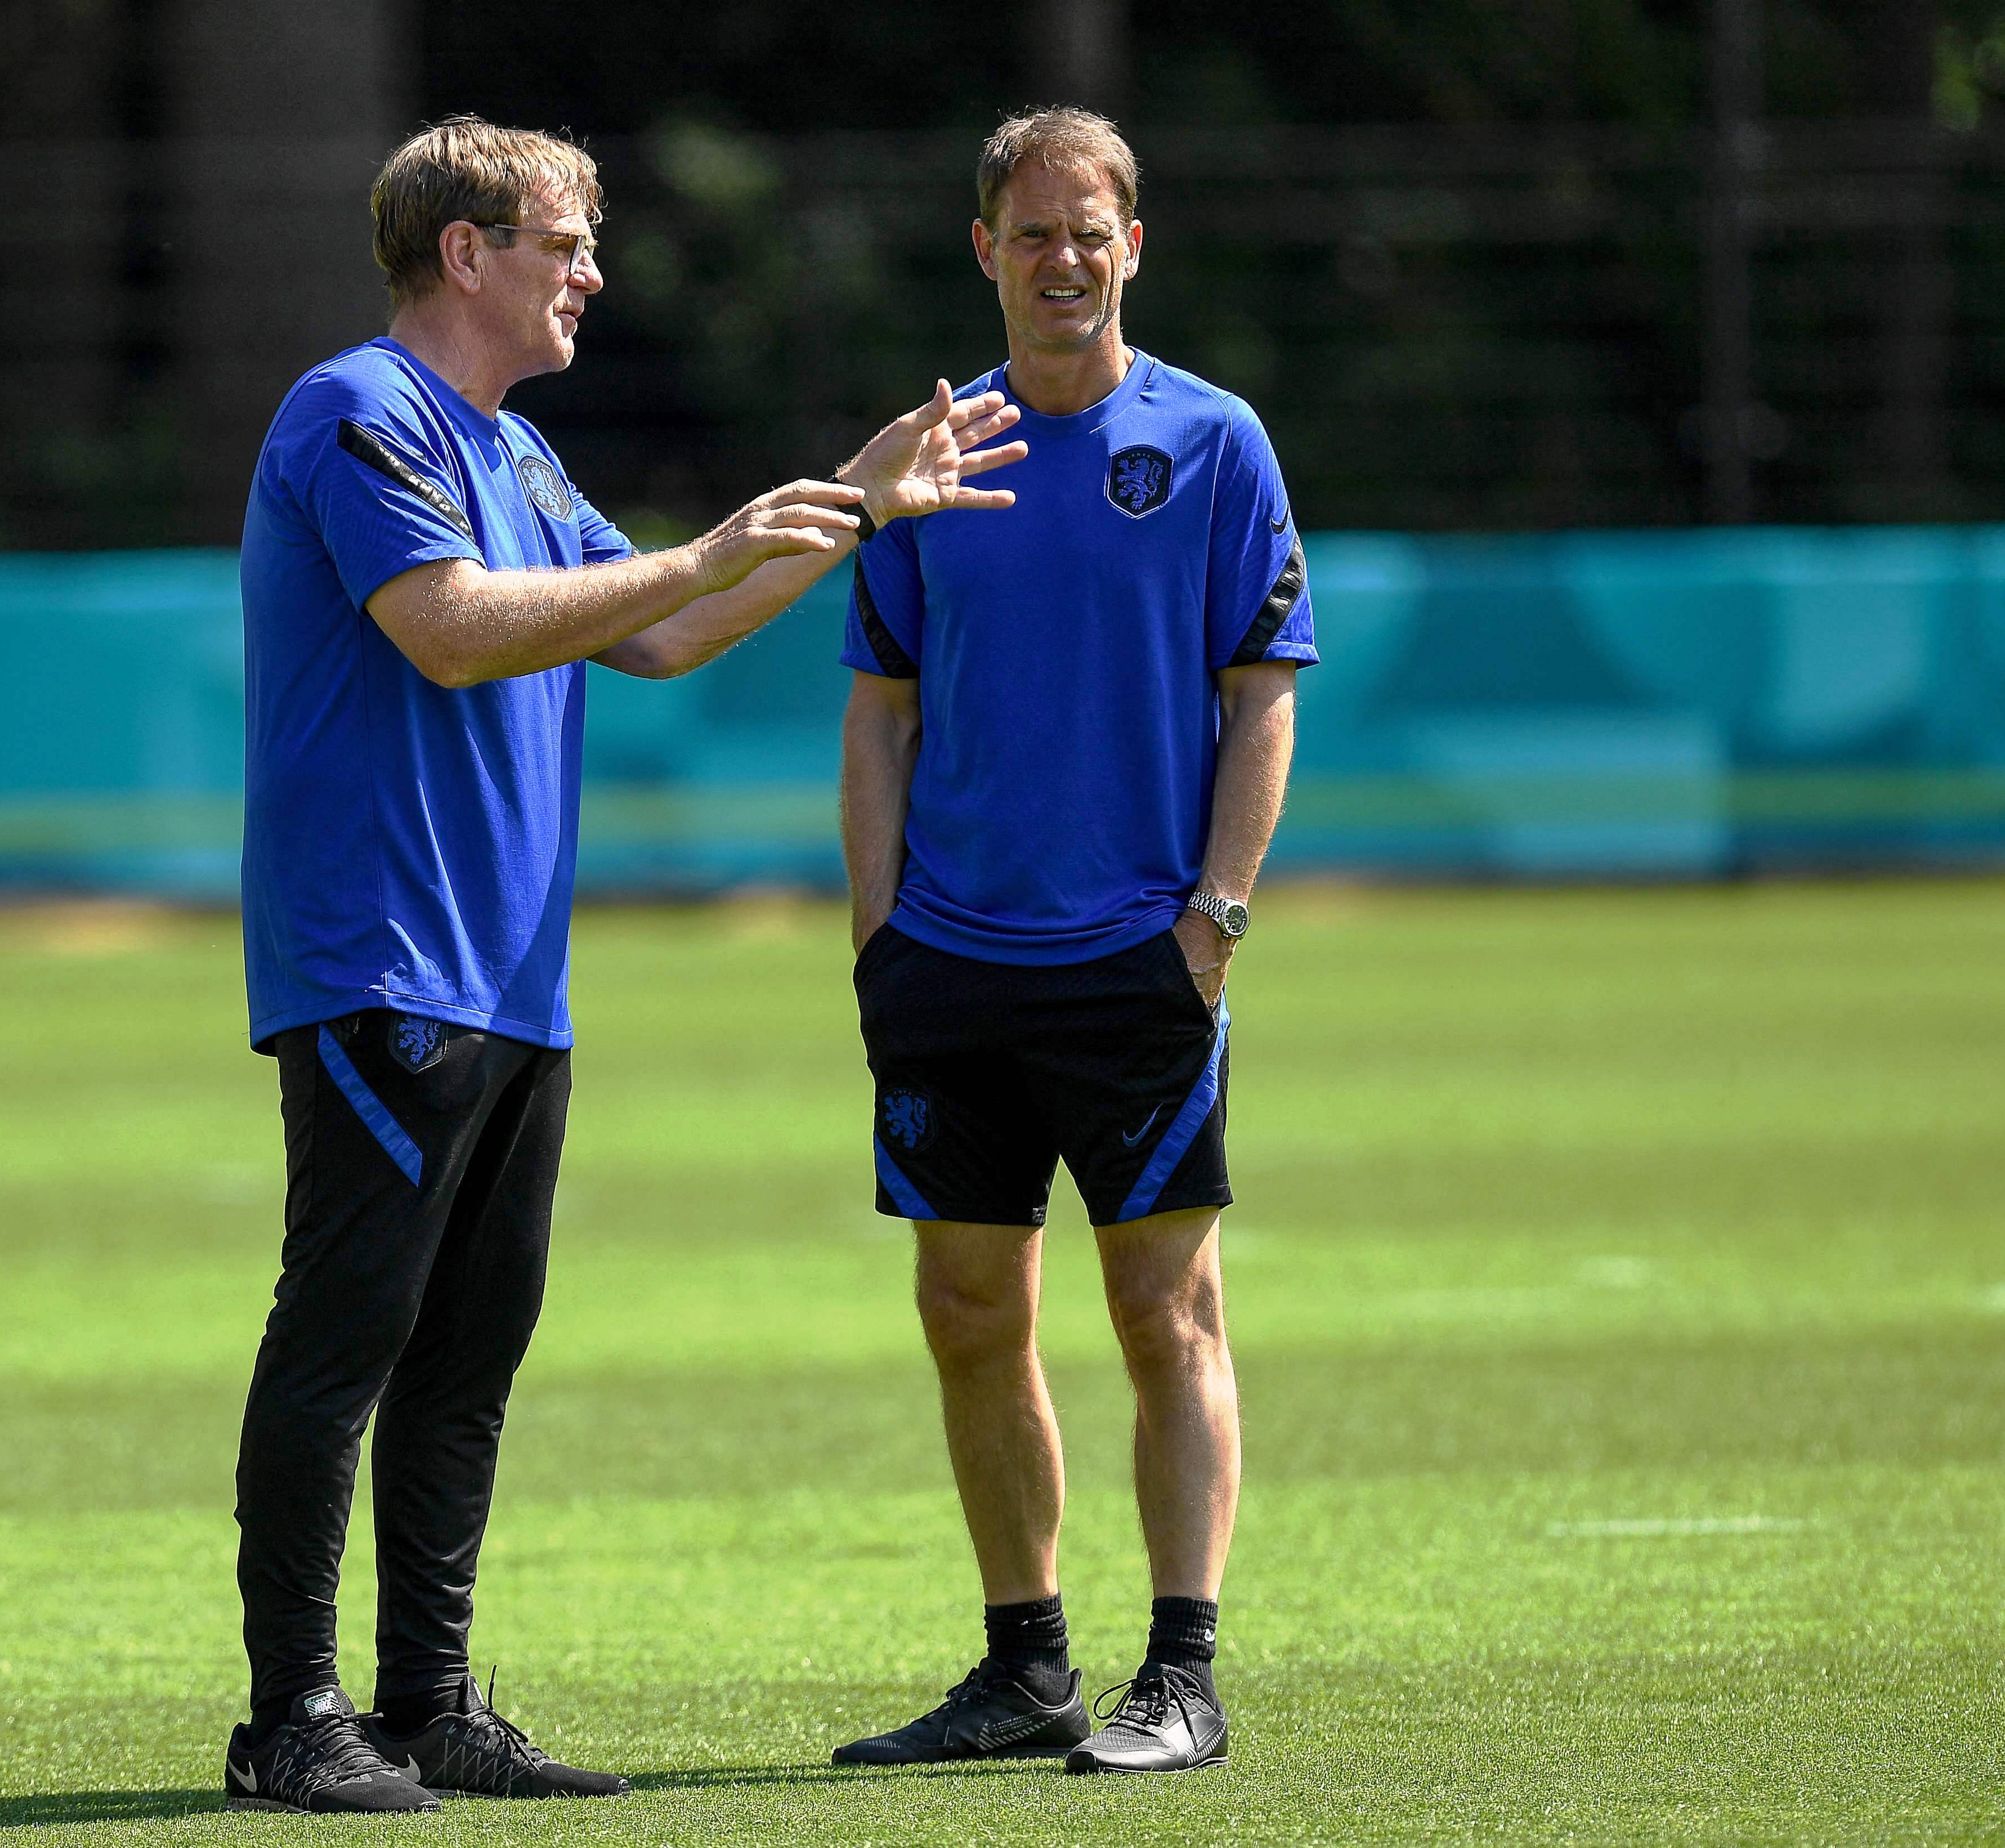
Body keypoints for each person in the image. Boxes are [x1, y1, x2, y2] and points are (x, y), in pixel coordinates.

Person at [225, 116, 1025, 1816]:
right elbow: (447, 631)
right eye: (568, 240)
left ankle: (426, 1706)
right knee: (347, 1335)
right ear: (467, 253)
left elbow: (657, 631)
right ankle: (288, 1718)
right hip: (386, 958)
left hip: (510, 977)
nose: (592, 272)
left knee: (469, 1353)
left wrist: (857, 516)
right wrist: (717, 545)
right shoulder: (356, 412)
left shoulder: (517, 455)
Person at [831, 106, 1317, 1778]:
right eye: (1029, 233)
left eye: (1088, 230)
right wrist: (878, 935)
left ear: (1134, 241)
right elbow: (879, 714)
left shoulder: (1215, 442)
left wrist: (1217, 918)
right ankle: (1023, 1666)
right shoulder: (930, 456)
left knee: (1163, 1308)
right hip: (949, 962)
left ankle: (1181, 1677)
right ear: (984, 251)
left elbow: (1263, 698)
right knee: (970, 1305)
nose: (1061, 260)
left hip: (1138, 961)